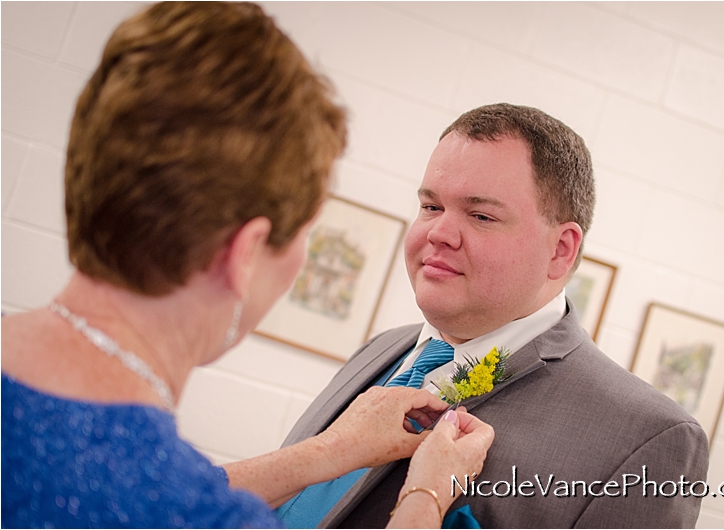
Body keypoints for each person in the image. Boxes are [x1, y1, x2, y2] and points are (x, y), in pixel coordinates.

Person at [0, 3, 495, 528]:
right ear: (245, 254)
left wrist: (328, 452)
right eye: (305, 233)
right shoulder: (195, 514)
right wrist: (426, 493)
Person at [280, 103, 710, 528]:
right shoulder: (383, 349)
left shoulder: (645, 438)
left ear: (560, 251)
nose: (439, 233)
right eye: (431, 207)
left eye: (481, 215)